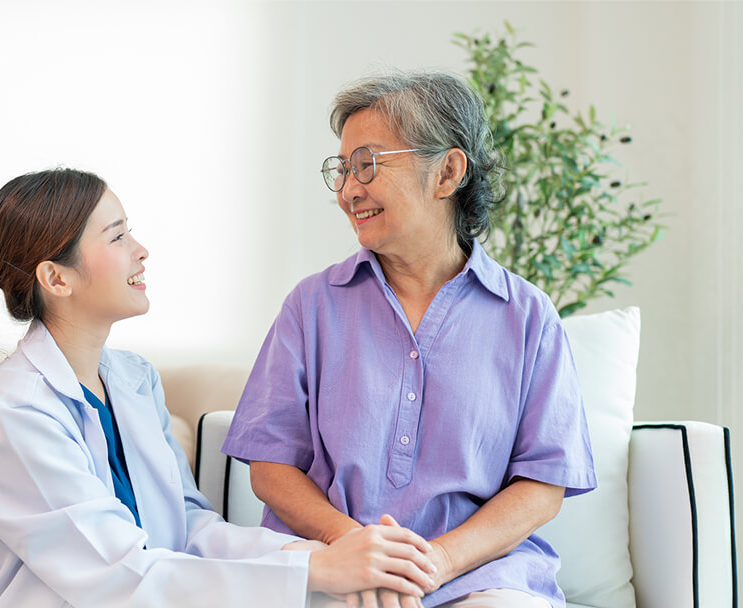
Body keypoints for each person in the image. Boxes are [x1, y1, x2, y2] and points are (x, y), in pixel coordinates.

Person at [0, 168, 439, 607]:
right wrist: (316, 572)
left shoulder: (133, 380)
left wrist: (317, 555)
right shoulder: (12, 416)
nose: (140, 250)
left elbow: (187, 528)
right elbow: (119, 577)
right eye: (116, 237)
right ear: (56, 278)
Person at [222, 72, 597, 608]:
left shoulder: (528, 316)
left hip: (479, 576)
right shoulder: (311, 305)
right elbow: (270, 467)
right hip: (333, 564)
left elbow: (543, 487)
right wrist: (353, 546)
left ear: (447, 172)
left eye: (369, 164)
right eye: (343, 170)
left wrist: (435, 562)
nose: (350, 190)